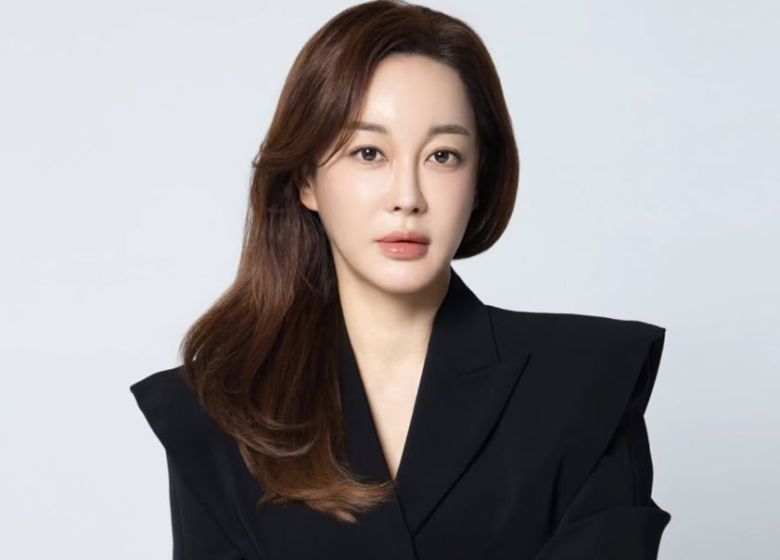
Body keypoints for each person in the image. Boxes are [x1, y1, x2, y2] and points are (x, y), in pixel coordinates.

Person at [129, 1, 672, 558]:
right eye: (369, 152)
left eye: (443, 156)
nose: (407, 198)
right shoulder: (220, 411)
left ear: (479, 181)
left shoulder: (587, 386)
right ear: (306, 181)